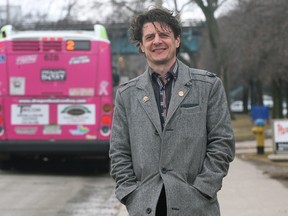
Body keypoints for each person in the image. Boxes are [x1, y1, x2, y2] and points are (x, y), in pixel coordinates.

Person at [109, 6, 235, 216]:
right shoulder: (126, 95)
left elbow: (222, 142)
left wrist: (203, 189)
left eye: (164, 34)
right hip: (145, 207)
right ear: (141, 46)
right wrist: (129, 193)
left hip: (196, 206)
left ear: (177, 40)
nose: (157, 41)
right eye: (149, 37)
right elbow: (119, 150)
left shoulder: (209, 86)